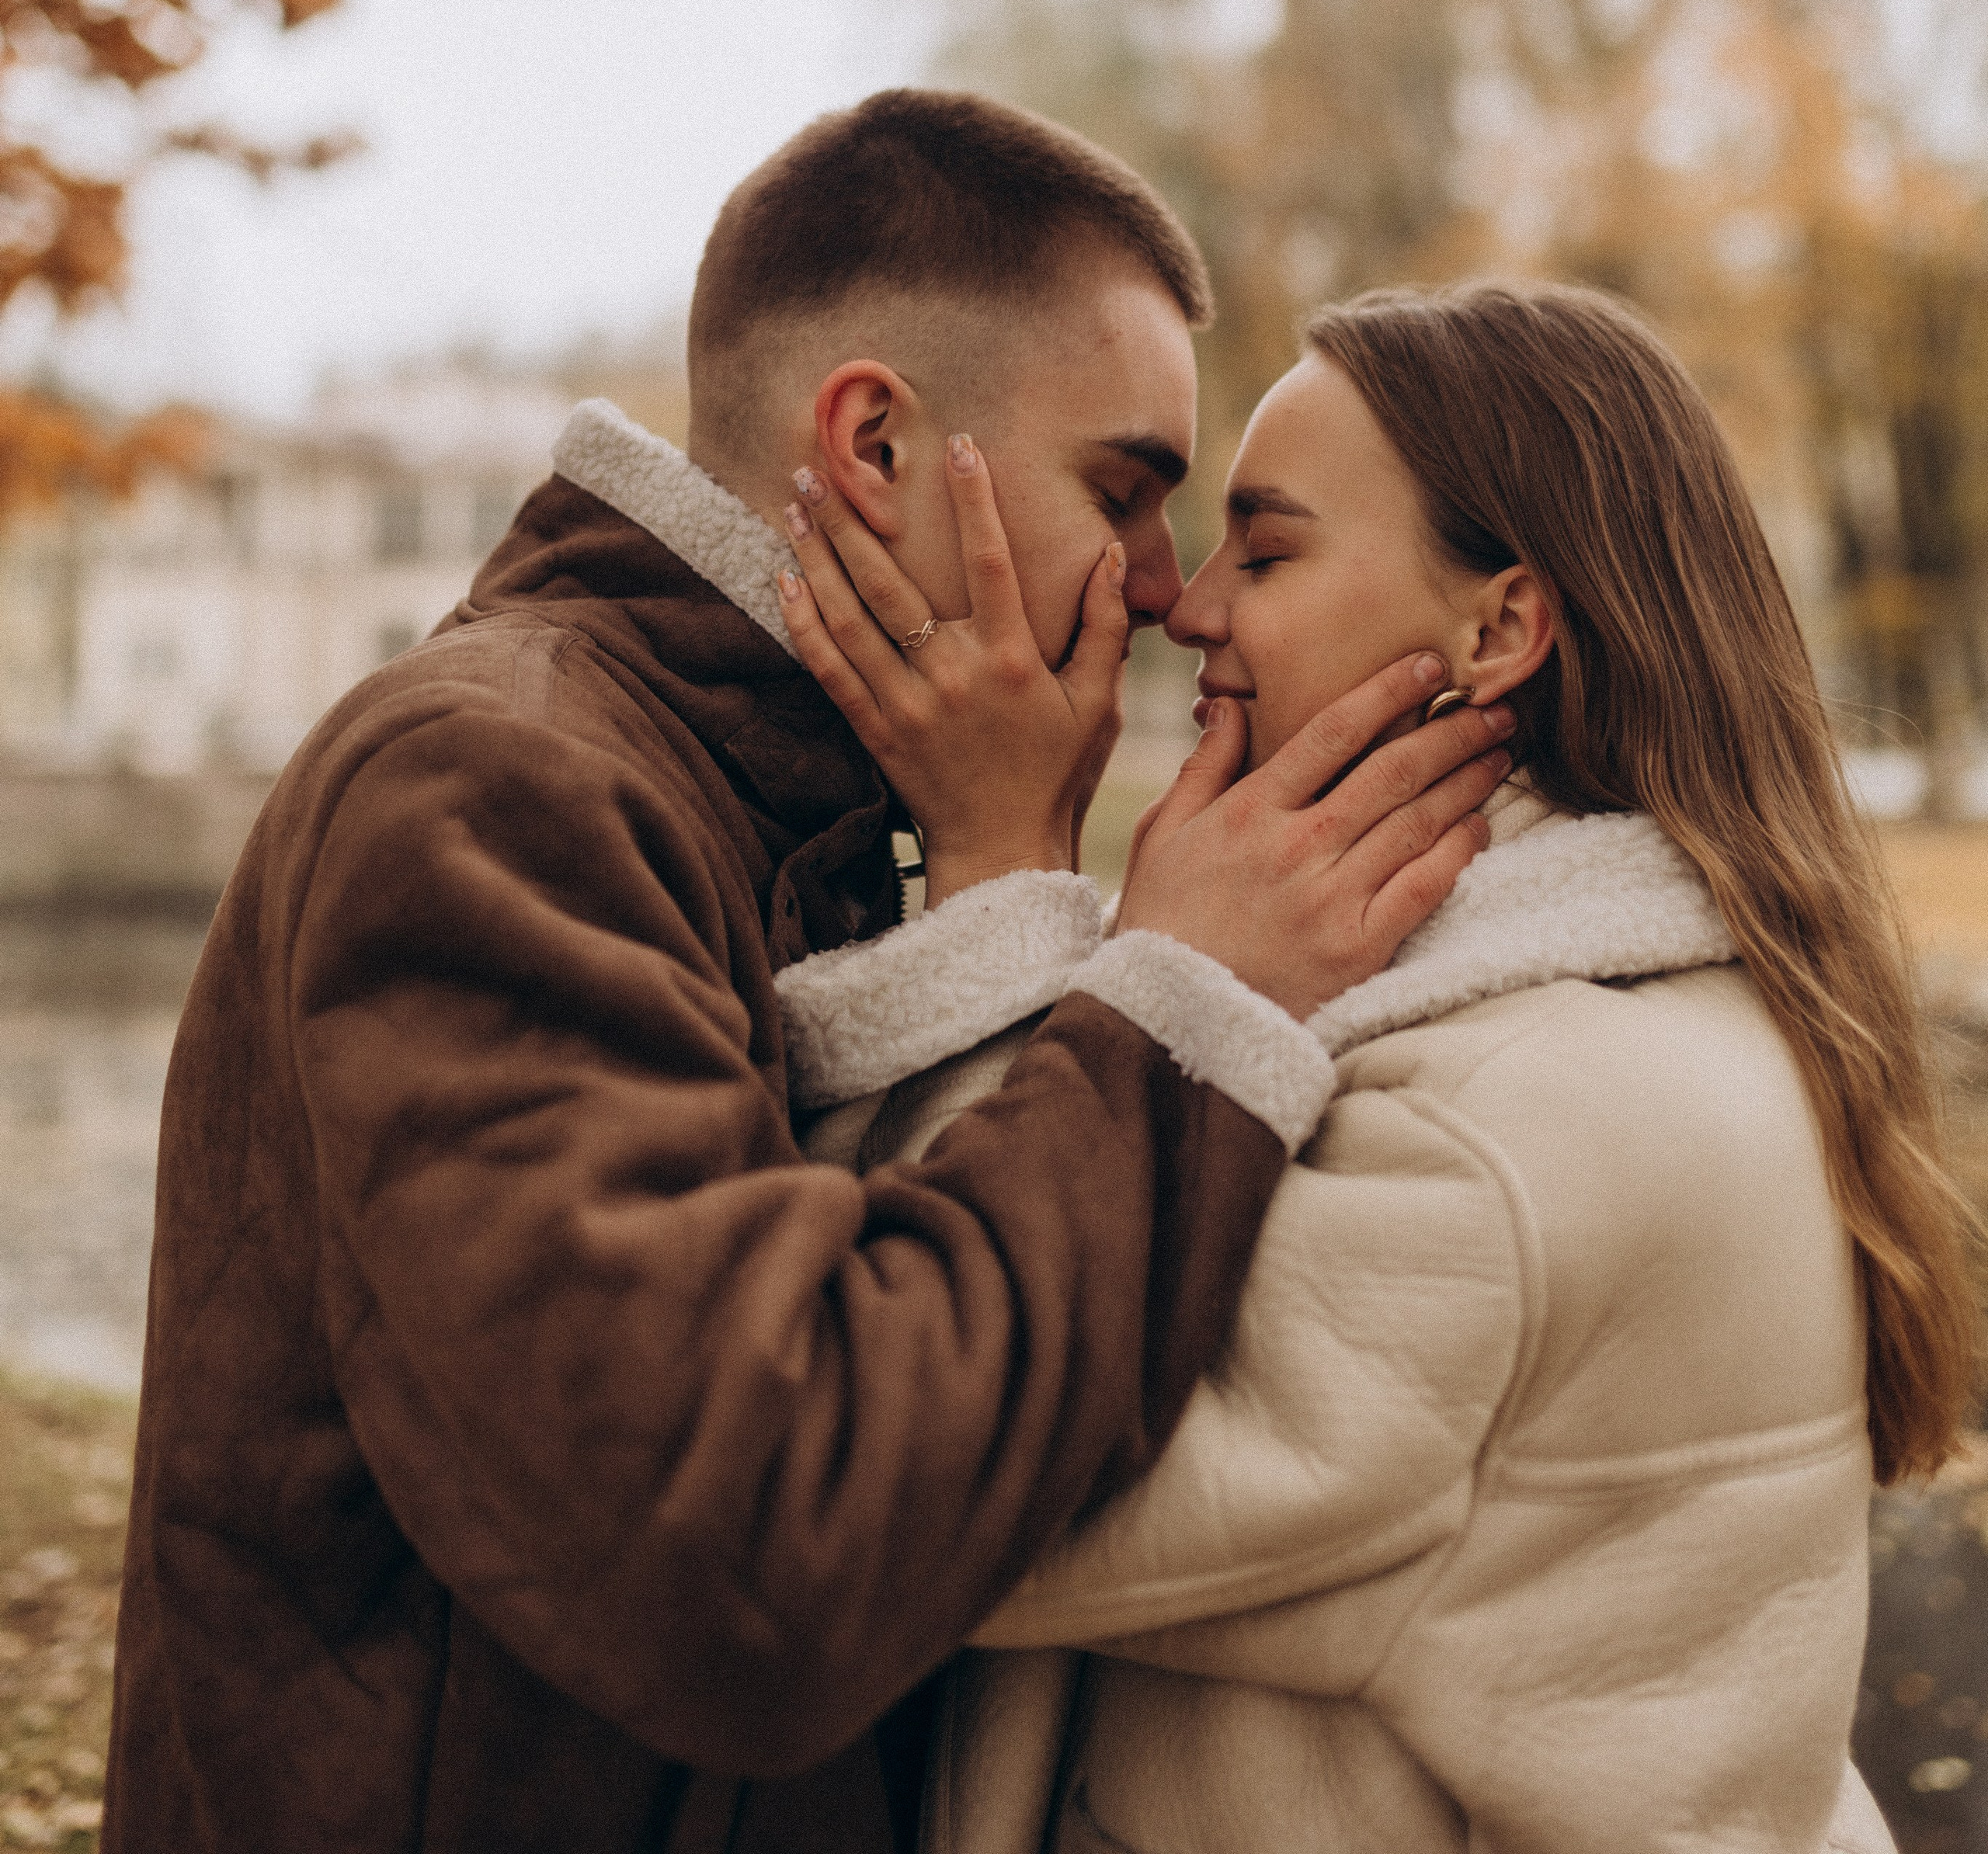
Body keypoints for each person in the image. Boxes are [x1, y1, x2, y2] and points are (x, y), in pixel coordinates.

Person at [103, 92, 1510, 1854]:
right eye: (1124, 490)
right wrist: (1174, 1011)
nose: (1163, 589)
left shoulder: (768, 799)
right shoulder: (501, 790)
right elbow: (753, 1557)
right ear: (873, 449)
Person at [777, 277, 1976, 1854]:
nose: (1187, 606)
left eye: (1263, 550)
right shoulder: (1621, 1020)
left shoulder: (1504, 1130)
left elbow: (921, 1487)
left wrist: (1007, 877)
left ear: (1496, 628)